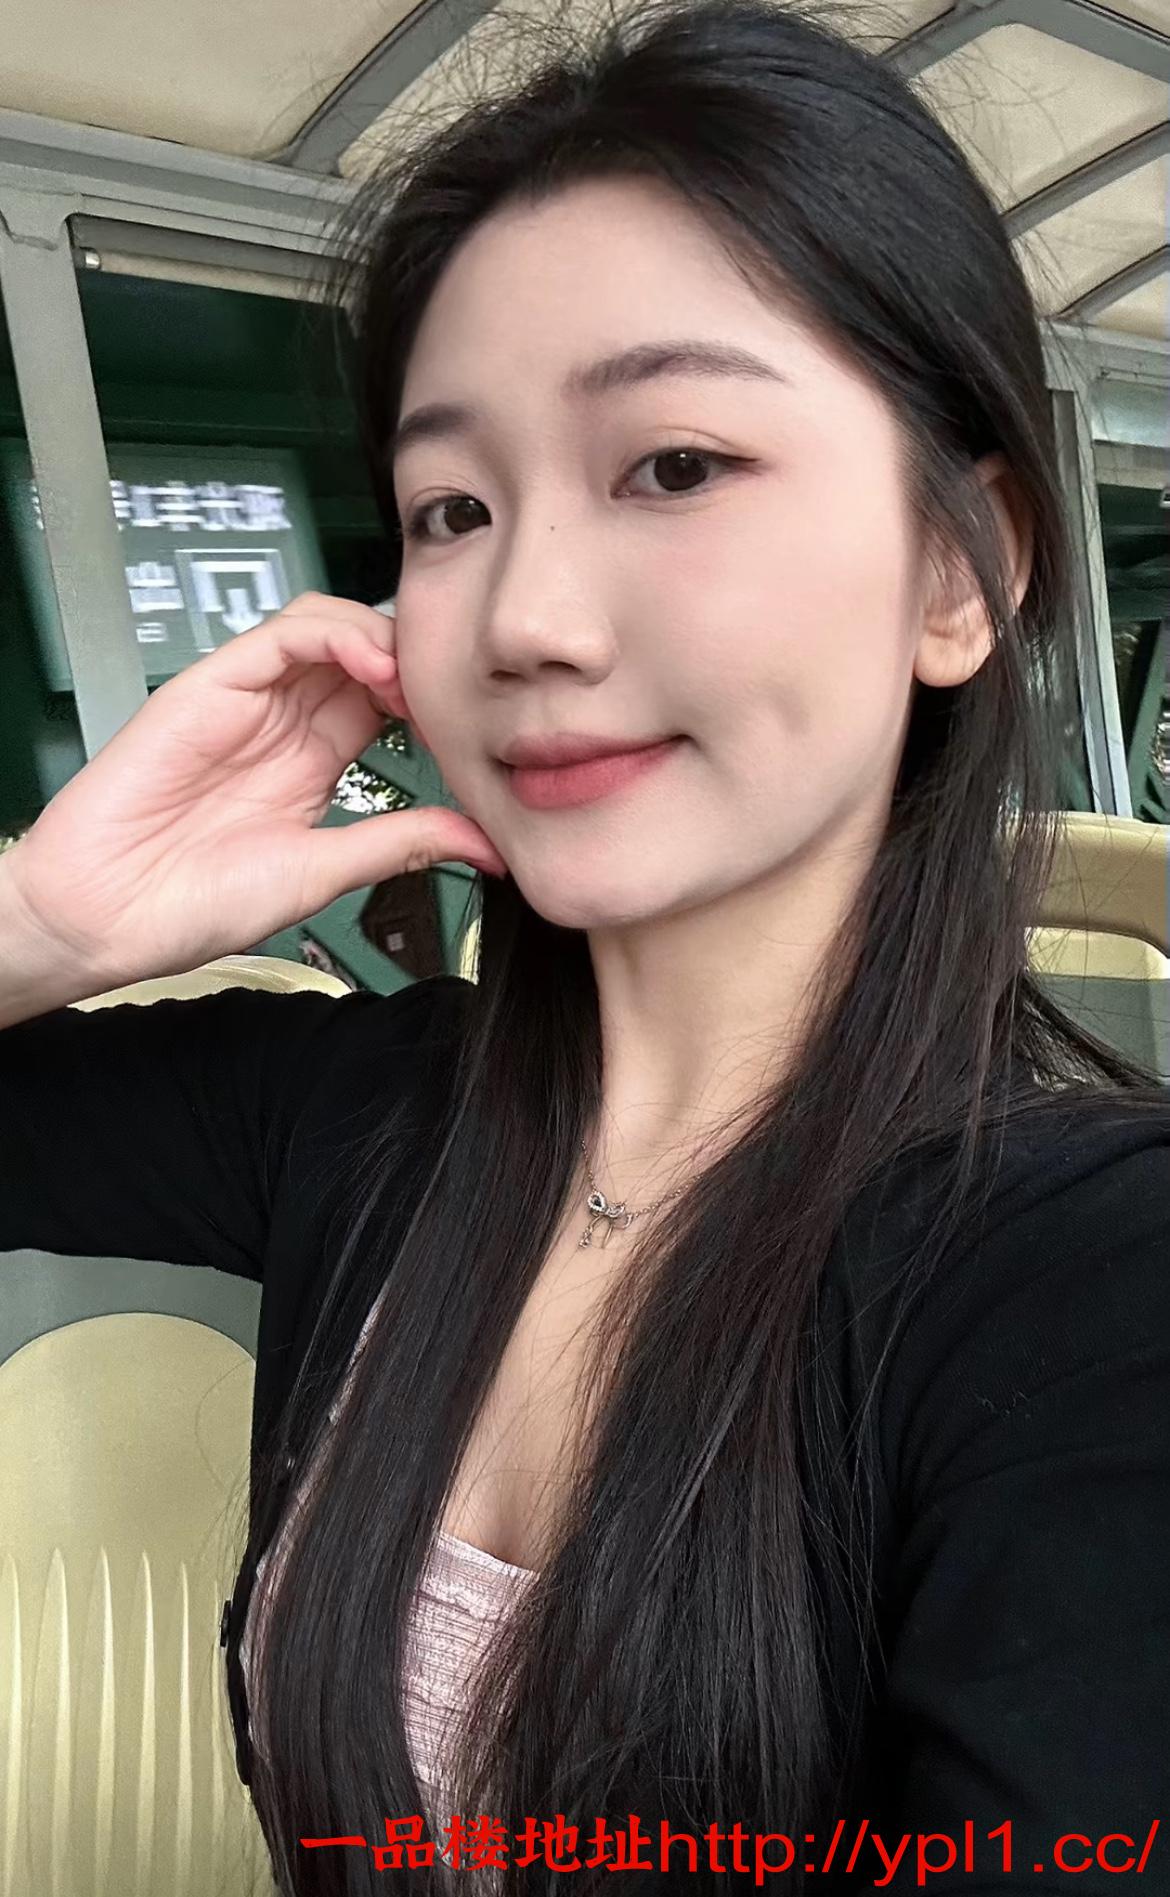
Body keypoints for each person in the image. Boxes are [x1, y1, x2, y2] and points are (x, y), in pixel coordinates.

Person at [2, 0, 1169, 1889]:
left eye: (672, 465)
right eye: (451, 508)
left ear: (962, 568)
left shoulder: (1090, 1287)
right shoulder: (358, 1118)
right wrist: (42, 919)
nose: (526, 614)